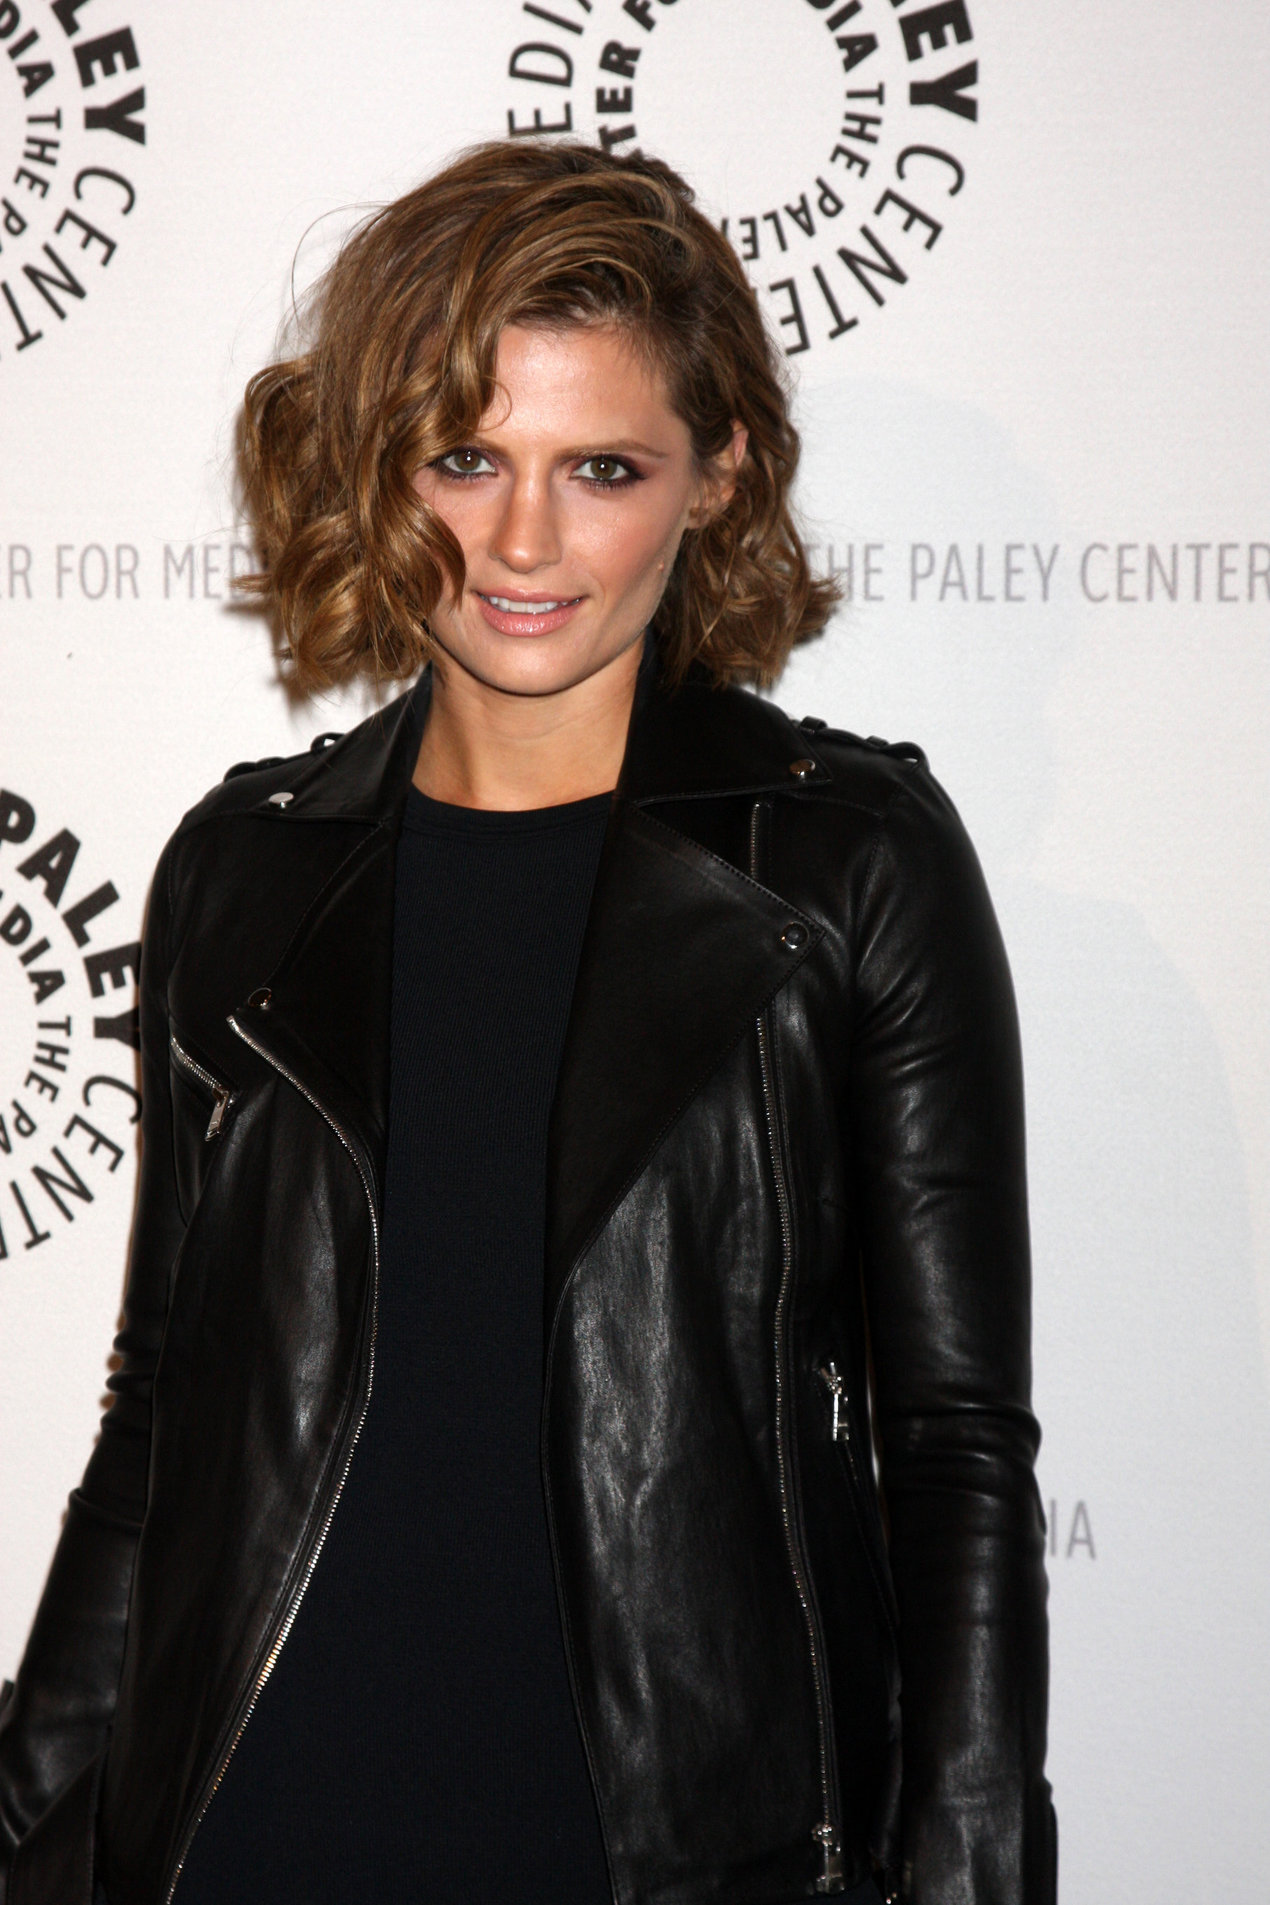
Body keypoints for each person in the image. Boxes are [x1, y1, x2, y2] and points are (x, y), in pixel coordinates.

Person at [0, 140, 1056, 1905]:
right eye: (466, 455)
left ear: (718, 476)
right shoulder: (245, 874)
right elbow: (166, 1417)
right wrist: (37, 1813)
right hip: (249, 1825)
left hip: (663, 1846)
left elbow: (955, 1448)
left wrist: (960, 1867)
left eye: (603, 468)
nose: (520, 539)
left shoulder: (843, 870)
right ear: (378, 462)